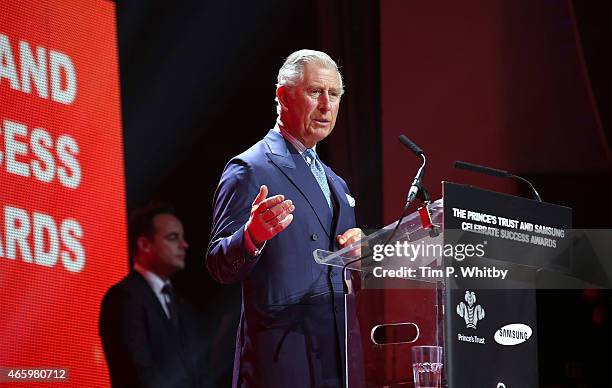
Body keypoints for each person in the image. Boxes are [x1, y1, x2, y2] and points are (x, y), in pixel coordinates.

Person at [206, 49, 361, 388]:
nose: (326, 105)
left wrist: (358, 260)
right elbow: (219, 264)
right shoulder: (251, 168)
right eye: (315, 91)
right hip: (284, 363)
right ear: (283, 96)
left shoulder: (337, 184)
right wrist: (251, 236)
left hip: (339, 361)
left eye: (334, 94)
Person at [99, 203, 212, 388]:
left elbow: (203, 371)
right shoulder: (122, 298)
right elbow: (138, 372)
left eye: (182, 238)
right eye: (173, 238)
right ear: (144, 244)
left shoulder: (185, 307)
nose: (184, 245)